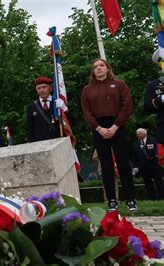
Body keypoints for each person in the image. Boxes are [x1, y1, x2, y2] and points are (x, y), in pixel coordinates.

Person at [81, 58, 137, 211]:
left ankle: (130, 199)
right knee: (106, 166)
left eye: (101, 65)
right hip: (98, 128)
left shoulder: (119, 85)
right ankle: (112, 200)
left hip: (117, 126)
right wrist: (98, 128)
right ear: (93, 71)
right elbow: (86, 112)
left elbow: (127, 105)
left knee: (123, 163)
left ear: (107, 68)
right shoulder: (87, 90)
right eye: (95, 67)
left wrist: (115, 126)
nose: (98, 68)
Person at [26, 77, 72, 142]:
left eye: (44, 87)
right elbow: (30, 130)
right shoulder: (30, 107)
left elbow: (72, 122)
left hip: (58, 142)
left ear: (50, 88)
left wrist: (65, 109)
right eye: (39, 88)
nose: (41, 90)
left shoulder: (59, 103)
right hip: (40, 145)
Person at [132, 128, 164, 200]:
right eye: (137, 134)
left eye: (139, 134)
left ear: (144, 134)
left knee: (159, 181)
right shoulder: (135, 143)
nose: (137, 135)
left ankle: (162, 196)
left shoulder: (154, 140)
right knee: (148, 183)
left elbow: (159, 149)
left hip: (155, 165)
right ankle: (152, 197)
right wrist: (135, 166)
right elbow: (134, 156)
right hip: (143, 166)